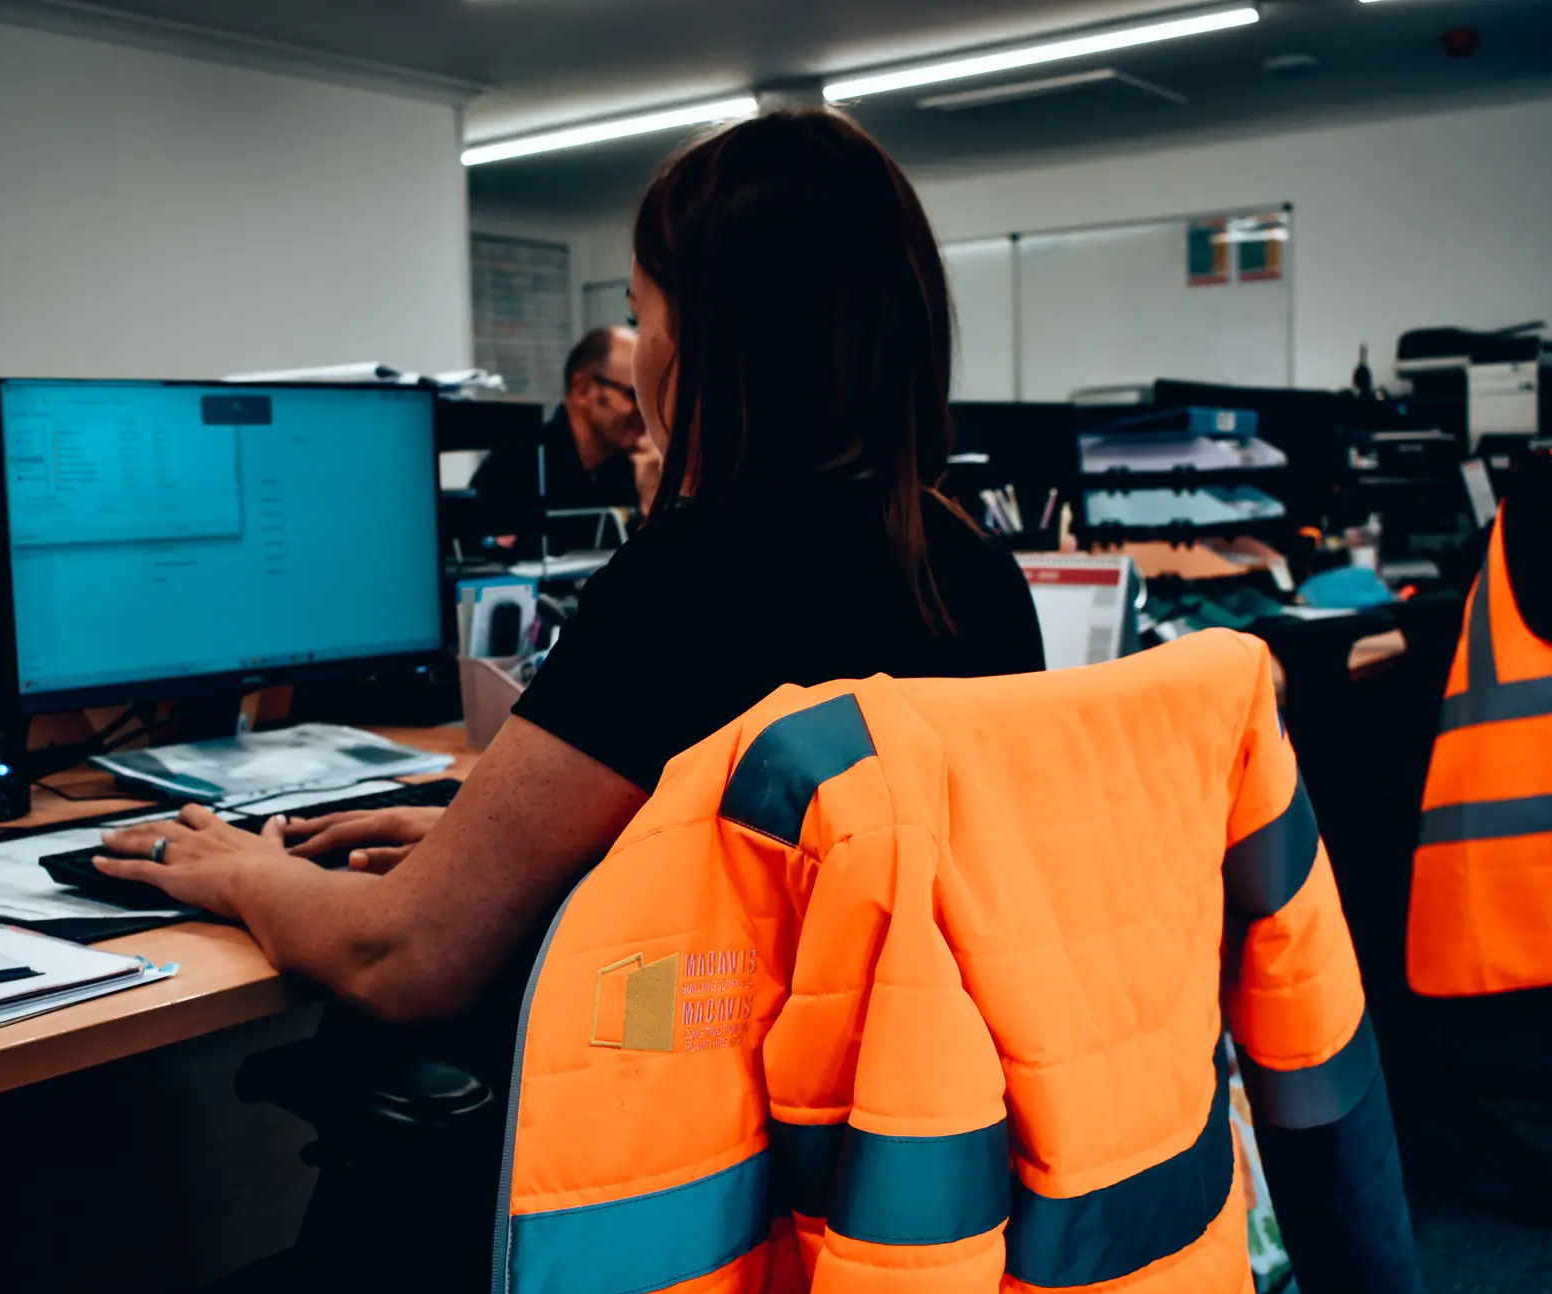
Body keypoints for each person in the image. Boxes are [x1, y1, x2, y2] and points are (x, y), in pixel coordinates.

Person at [98, 107, 1045, 1027]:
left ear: (713, 336)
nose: (641, 365)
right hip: (891, 1111)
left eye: (646, 315)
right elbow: (812, 878)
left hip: (687, 1126)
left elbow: (401, 958)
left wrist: (252, 874)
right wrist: (539, 857)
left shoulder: (693, 576)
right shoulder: (975, 569)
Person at [467, 325, 662, 531]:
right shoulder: (513, 469)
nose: (645, 410)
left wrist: (654, 499)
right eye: (634, 394)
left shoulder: (639, 468)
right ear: (583, 390)